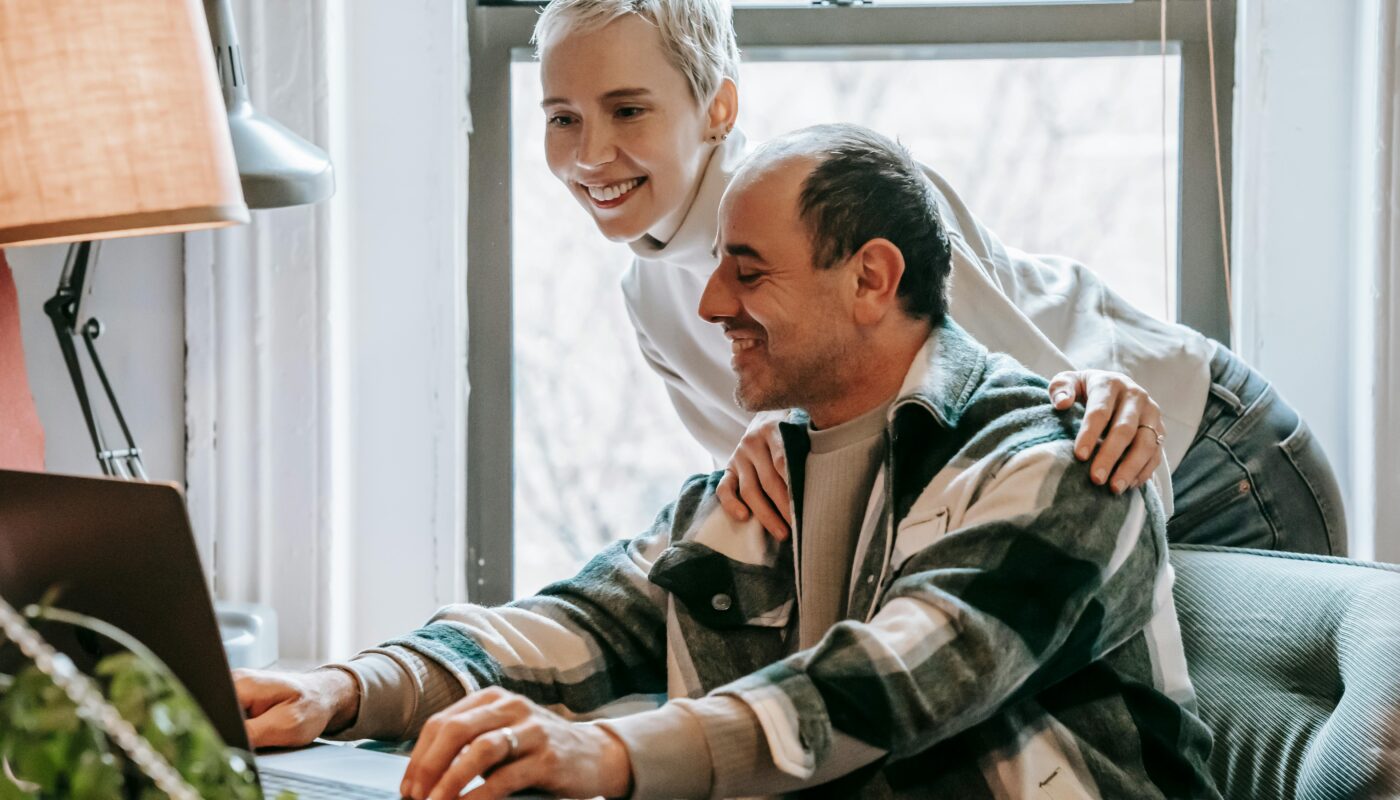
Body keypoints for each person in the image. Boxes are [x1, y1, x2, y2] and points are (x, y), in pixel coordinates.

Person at [237, 125, 1219, 800]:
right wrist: (352, 685)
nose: (708, 305)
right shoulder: (765, 473)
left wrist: (601, 751)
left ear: (870, 278)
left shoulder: (1062, 460)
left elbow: (886, 683)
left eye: (746, 269)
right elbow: (587, 618)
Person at [535, 0, 1346, 553]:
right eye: (562, 118)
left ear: (718, 108)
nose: (589, 154)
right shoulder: (651, 298)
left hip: (1208, 458)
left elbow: (1027, 413)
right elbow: (810, 504)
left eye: (629, 110)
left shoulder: (844, 200)